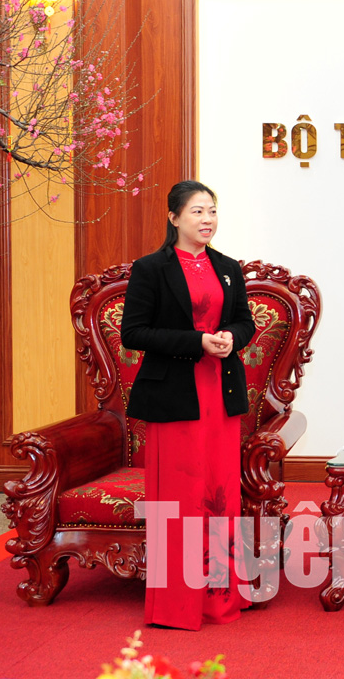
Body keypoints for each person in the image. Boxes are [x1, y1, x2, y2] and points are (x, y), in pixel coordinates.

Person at [121, 180, 256, 630]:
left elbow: (245, 321)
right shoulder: (150, 269)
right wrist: (196, 342)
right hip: (175, 396)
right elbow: (133, 333)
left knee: (220, 492)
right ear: (174, 218)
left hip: (220, 393)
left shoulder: (228, 267)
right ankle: (176, 605)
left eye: (212, 210)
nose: (207, 219)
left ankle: (221, 597)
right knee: (179, 497)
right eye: (197, 211)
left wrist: (230, 337)